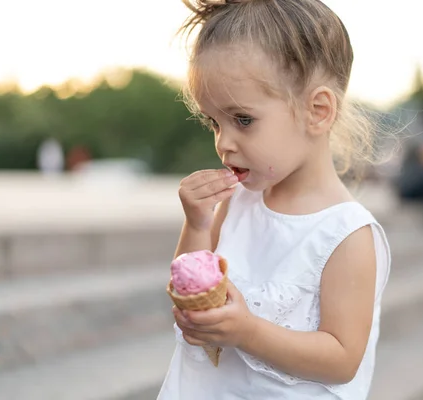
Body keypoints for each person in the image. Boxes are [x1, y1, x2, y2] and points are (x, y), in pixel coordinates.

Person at [157, 1, 391, 399]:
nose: (223, 143)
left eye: (242, 120)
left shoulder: (346, 234)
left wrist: (248, 331)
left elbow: (342, 359)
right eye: (214, 122)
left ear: (317, 111)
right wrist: (196, 224)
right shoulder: (237, 204)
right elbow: (191, 297)